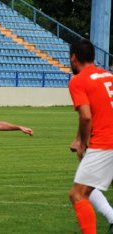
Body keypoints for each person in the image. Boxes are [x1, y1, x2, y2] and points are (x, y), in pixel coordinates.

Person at [68, 39, 113, 234]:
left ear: (73, 58)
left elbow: (85, 116)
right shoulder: (109, 76)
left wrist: (82, 144)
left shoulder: (78, 80)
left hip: (105, 143)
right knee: (89, 187)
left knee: (78, 194)